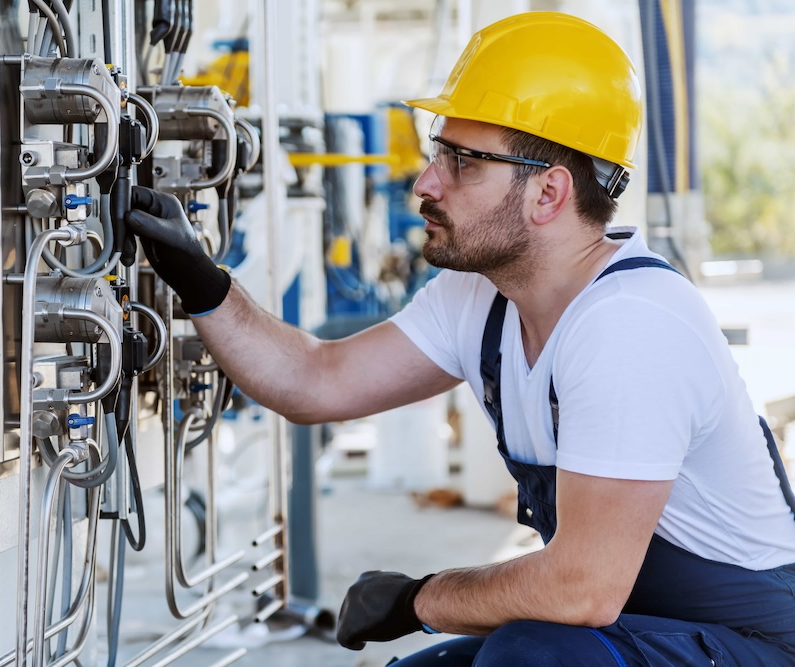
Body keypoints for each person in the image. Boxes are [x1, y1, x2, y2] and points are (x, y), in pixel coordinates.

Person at [126, 11, 795, 666]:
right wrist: (202, 282)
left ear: (549, 193)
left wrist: (422, 598)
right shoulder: (482, 297)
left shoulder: (633, 322)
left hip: (749, 645)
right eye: (435, 153)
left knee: (529, 655)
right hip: (635, 630)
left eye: (462, 162)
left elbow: (581, 588)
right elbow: (315, 379)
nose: (425, 183)